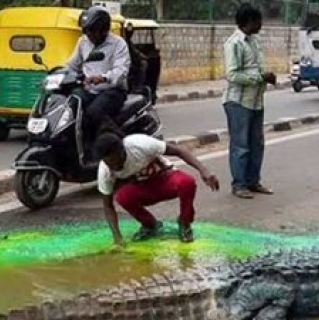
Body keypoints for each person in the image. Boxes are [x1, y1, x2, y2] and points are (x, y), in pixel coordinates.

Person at [94, 130, 220, 245]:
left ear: (122, 151)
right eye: (107, 162)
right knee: (123, 197)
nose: (112, 166)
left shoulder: (140, 143)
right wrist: (117, 237)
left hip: (165, 179)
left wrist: (204, 170)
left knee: (187, 182)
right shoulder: (105, 170)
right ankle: (150, 225)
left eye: (114, 161)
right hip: (142, 188)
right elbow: (107, 205)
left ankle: (184, 222)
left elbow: (178, 151)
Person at [222, 3, 276, 199]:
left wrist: (265, 76)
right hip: (238, 102)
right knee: (240, 145)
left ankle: (253, 181)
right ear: (249, 21)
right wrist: (260, 78)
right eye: (258, 20)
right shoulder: (234, 43)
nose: (261, 24)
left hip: (256, 101)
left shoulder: (254, 42)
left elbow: (255, 68)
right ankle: (239, 184)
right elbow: (232, 75)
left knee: (257, 143)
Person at [66, 6, 130, 149]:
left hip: (112, 90)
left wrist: (103, 77)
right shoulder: (83, 42)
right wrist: (59, 74)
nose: (89, 35)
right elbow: (72, 65)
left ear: (103, 30)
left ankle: (118, 143)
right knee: (69, 107)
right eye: (87, 31)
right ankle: (73, 148)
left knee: (94, 112)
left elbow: (121, 71)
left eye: (92, 31)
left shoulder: (118, 44)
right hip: (89, 90)